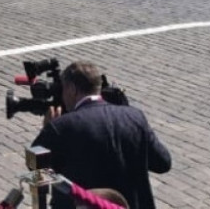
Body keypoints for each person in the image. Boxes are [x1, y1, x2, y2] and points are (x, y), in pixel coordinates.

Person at [31, 61, 171, 209]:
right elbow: (163, 163)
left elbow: (35, 168)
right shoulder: (135, 117)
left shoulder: (61, 127)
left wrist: (47, 130)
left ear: (72, 89)